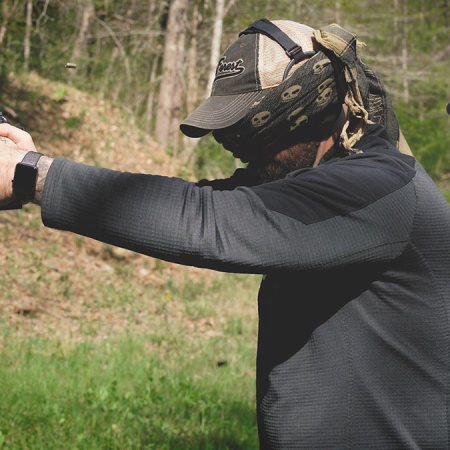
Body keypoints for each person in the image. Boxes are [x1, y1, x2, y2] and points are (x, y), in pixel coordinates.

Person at [0, 19, 449, 449]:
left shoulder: (377, 187)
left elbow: (205, 219)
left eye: (254, 132)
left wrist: (31, 176)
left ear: (309, 110)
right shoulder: (324, 185)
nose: (242, 153)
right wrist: (30, 163)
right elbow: (183, 202)